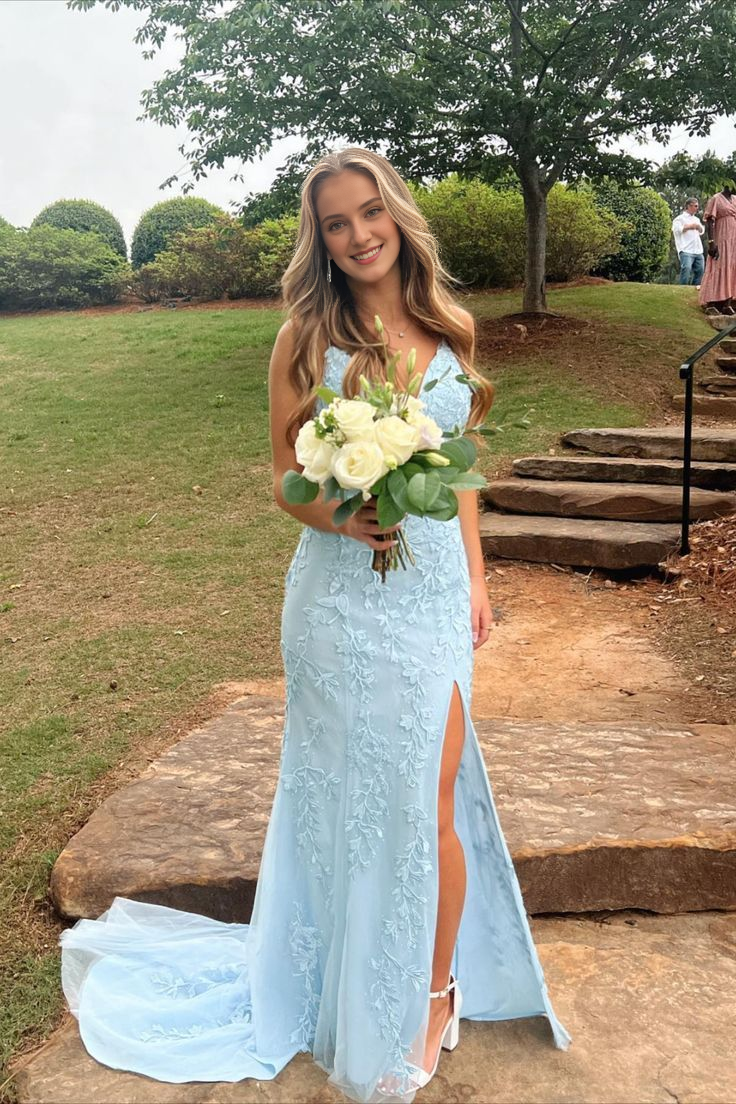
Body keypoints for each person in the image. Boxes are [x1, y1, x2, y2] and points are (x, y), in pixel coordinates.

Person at [56, 147, 572, 1103]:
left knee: (434, 798)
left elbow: (460, 468)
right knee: (352, 800)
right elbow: (287, 482)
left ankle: (435, 989)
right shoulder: (304, 336)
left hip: (428, 607)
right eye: (336, 223)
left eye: (369, 213)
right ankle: (338, 974)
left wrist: (477, 579)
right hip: (337, 601)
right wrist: (347, 512)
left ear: (396, 216)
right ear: (321, 240)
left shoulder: (448, 325)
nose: (359, 234)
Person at [699, 184, 736, 315]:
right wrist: (711, 243)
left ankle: (727, 303)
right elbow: (709, 221)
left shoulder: (735, 199)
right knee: (718, 265)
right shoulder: (716, 198)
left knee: (732, 268)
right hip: (721, 238)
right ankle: (711, 301)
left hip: (733, 240)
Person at [672, 197, 705, 287]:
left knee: (700, 270)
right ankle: (683, 289)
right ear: (688, 206)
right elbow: (676, 230)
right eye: (695, 206)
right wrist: (690, 226)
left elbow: (702, 231)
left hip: (698, 250)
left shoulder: (697, 219)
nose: (697, 208)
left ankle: (695, 288)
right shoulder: (679, 219)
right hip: (686, 249)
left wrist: (698, 227)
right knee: (686, 269)